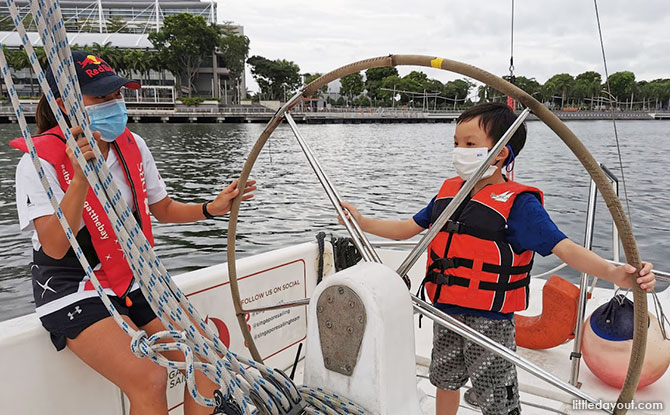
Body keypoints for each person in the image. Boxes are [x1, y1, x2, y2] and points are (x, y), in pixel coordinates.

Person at [338, 102, 656, 415]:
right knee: (445, 380)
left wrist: (615, 274)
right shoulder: (449, 193)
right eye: (456, 143)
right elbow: (406, 228)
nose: (459, 150)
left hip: (490, 322)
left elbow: (565, 248)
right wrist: (361, 221)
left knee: (497, 397)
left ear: (500, 152)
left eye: (469, 143)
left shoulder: (520, 206)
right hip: (445, 311)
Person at [11, 50, 256, 415]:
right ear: (65, 104)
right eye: (102, 98)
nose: (114, 104)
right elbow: (55, 247)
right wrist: (80, 180)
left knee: (209, 355)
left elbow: (163, 209)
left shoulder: (133, 146)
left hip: (130, 276)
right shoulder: (38, 160)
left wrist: (211, 208)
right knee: (149, 378)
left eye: (117, 95)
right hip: (72, 285)